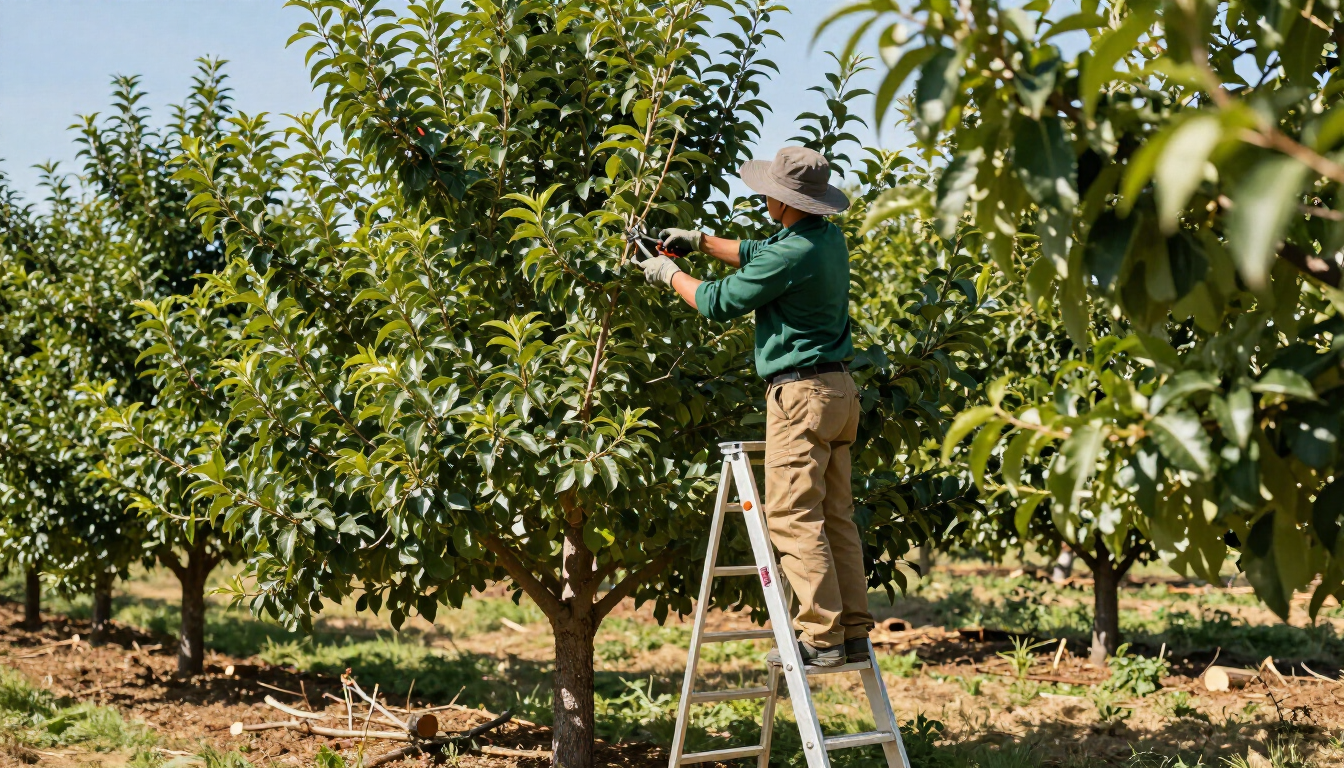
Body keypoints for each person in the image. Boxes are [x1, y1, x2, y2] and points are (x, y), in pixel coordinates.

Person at [639, 146, 873, 668]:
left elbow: (715, 302)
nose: (764, 196)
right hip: (838, 392)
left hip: (800, 399)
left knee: (792, 515)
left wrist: (667, 274)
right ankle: (852, 629)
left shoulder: (791, 253)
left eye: (770, 191)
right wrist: (698, 242)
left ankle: (821, 636)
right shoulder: (824, 238)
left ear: (786, 200)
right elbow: (760, 254)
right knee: (836, 516)